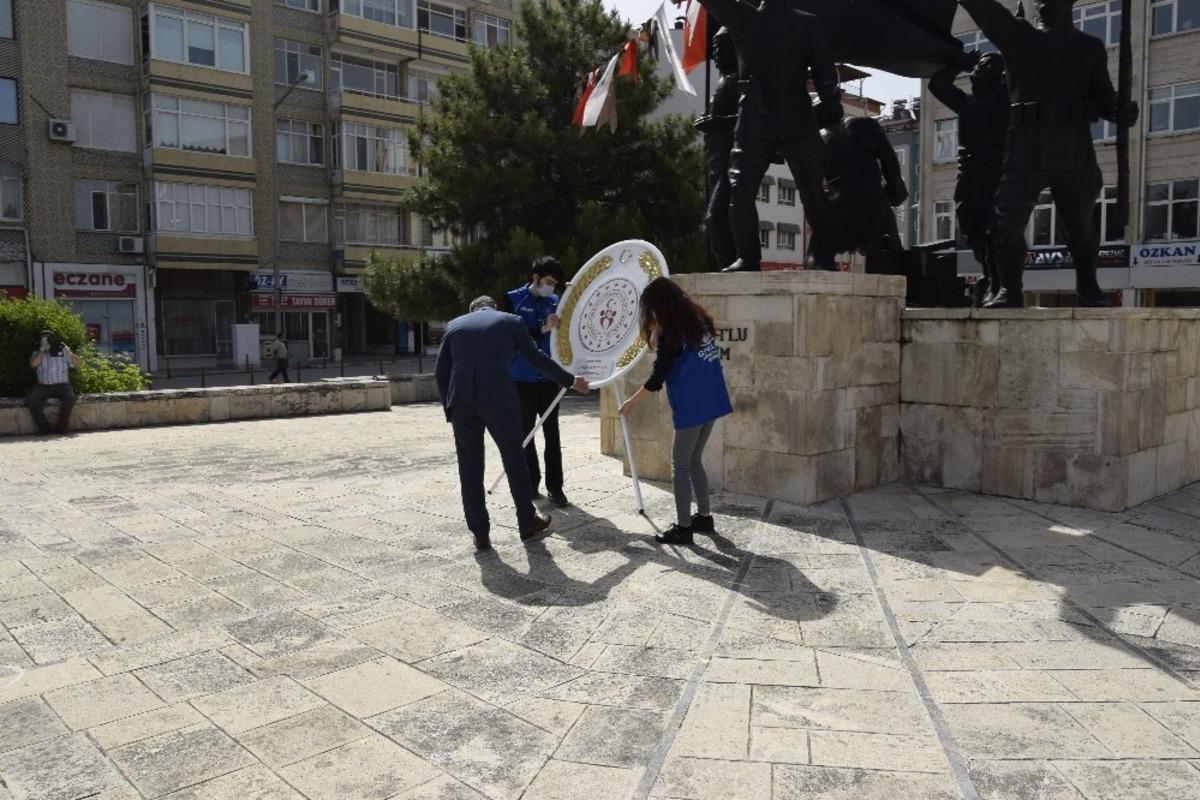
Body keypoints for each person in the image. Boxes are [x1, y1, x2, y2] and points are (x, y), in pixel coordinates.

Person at [957, 0, 1138, 308]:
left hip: (1073, 148)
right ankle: (1009, 290)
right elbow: (984, 8)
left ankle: (1089, 287)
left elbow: (1104, 97)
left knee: (1081, 225)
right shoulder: (1018, 37)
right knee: (1006, 221)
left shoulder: (1089, 48)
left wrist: (1121, 111)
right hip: (1026, 147)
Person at [696, 0, 844, 272]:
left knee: (812, 191)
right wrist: (828, 97)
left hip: (793, 117)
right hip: (756, 117)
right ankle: (748, 257)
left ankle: (822, 254)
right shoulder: (743, 16)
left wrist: (829, 98)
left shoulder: (806, 23)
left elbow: (824, 69)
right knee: (741, 188)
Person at [435, 295, 590, 552]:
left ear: (472, 310)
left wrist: (449, 409)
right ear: (493, 307)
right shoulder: (511, 321)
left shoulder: (454, 325)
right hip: (498, 398)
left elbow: (441, 372)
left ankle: (480, 533)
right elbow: (537, 358)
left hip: (461, 402)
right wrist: (571, 380)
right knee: (514, 459)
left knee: (470, 468)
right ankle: (527, 521)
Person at [617, 278, 733, 545]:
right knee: (694, 461)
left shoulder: (671, 332)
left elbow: (657, 378)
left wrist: (630, 403)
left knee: (680, 465)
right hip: (712, 399)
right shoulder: (697, 320)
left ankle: (683, 528)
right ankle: (704, 517)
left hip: (692, 404)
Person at [929, 52, 1009, 305]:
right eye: (979, 66)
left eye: (987, 66)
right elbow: (937, 85)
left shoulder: (1006, 99)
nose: (979, 70)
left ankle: (998, 282)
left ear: (999, 75)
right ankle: (989, 274)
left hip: (996, 172)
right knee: (971, 229)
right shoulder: (967, 103)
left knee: (993, 229)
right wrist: (960, 64)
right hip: (970, 175)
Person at [504, 256, 570, 507]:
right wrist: (542, 328)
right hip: (521, 378)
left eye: (555, 284)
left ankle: (556, 488)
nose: (551, 288)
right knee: (526, 434)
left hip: (549, 378)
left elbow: (563, 338)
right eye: (548, 282)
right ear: (535, 278)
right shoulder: (513, 299)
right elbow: (511, 337)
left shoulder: (555, 301)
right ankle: (531, 484)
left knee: (552, 434)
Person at [808, 114, 908, 270]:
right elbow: (890, 161)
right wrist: (896, 191)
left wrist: (824, 214)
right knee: (892, 260)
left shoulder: (817, 139)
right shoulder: (866, 124)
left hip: (839, 204)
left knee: (817, 256)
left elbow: (812, 186)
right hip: (874, 202)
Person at [695, 27, 740, 270]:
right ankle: (726, 265)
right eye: (714, 49)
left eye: (720, 48)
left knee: (718, 216)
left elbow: (750, 118)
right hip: (715, 158)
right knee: (717, 218)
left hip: (733, 159)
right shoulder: (724, 82)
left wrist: (717, 122)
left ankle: (732, 264)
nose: (716, 55)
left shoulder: (739, 81)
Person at [26, 331, 81, 435]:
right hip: (43, 385)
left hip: (62, 385)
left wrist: (69, 352)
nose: (47, 341)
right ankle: (44, 428)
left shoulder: (63, 351)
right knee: (31, 401)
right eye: (44, 339)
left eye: (48, 339)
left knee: (70, 398)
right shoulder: (37, 353)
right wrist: (42, 350)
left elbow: (78, 365)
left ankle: (61, 428)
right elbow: (33, 364)